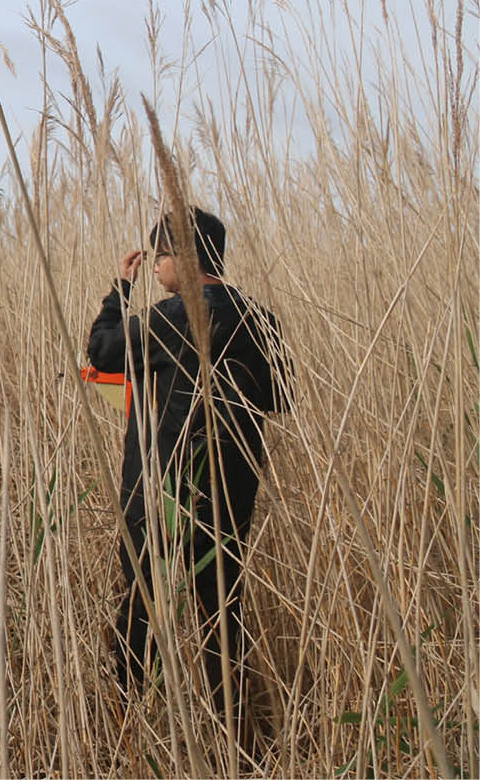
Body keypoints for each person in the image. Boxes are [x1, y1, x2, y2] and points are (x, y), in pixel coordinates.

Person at [87, 207, 291, 731]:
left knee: (142, 601)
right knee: (221, 609)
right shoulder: (260, 319)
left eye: (160, 255)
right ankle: (235, 727)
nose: (155, 266)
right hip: (232, 489)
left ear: (186, 255)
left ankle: (130, 721)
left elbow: (102, 351)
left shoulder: (171, 316)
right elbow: (281, 397)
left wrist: (120, 289)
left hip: (159, 489)